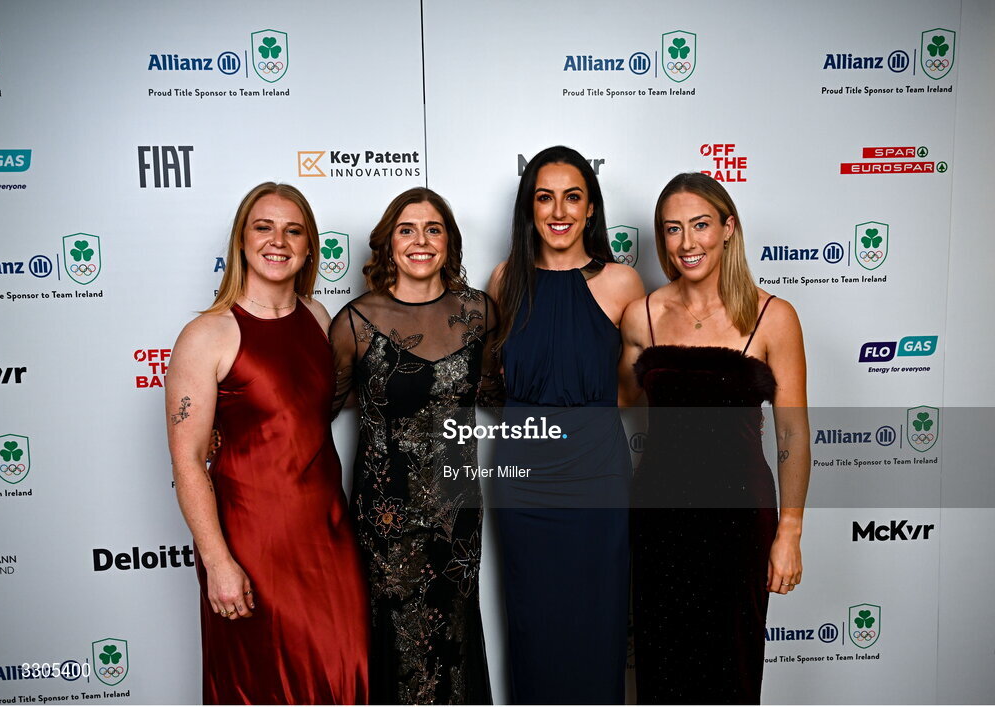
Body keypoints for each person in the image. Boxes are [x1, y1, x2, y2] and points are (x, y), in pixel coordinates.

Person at [165, 182, 369, 705]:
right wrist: (217, 561)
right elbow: (187, 462)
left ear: (308, 248)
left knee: (344, 675)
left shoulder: (320, 319)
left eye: (292, 230)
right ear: (241, 240)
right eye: (263, 226)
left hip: (328, 534)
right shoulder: (206, 335)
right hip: (252, 544)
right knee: (261, 686)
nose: (277, 240)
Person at [619, 172, 810, 704]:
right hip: (660, 521)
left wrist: (790, 530)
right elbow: (610, 403)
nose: (687, 243)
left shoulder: (774, 317)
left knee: (734, 668)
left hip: (739, 521)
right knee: (662, 667)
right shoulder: (644, 316)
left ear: (728, 228)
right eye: (673, 229)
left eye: (700, 225)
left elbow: (793, 431)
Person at [330, 187, 500, 705]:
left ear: (449, 241)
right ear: (388, 244)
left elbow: (502, 394)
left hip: (458, 515)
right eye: (407, 230)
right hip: (387, 518)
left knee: (453, 636)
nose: (421, 241)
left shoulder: (480, 313)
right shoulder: (355, 323)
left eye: (434, 229)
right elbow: (314, 415)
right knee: (398, 640)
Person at [487, 145, 644, 704]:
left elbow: (633, 388)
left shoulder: (622, 283)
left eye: (573, 196)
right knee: (533, 624)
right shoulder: (505, 279)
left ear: (592, 209)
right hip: (522, 479)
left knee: (596, 624)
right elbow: (492, 374)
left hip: (596, 474)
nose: (559, 210)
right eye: (545, 197)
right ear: (529, 209)